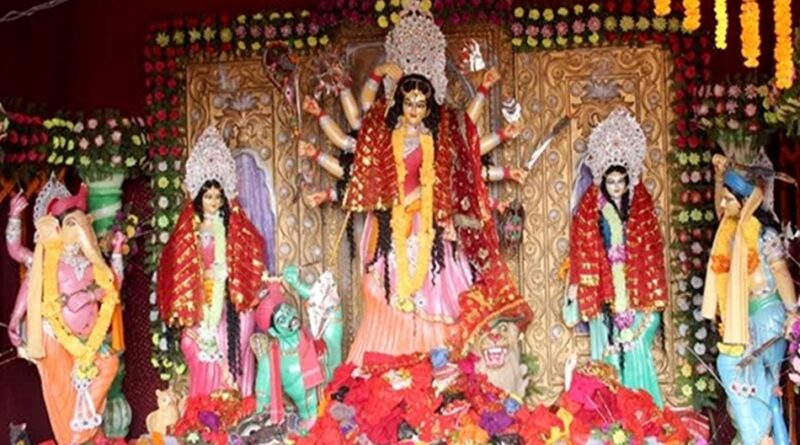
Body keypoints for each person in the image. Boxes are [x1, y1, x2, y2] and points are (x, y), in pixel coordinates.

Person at [297, 3, 531, 365]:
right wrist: (377, 75)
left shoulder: (440, 135)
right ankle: (392, 363)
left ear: (429, 106)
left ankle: (443, 366)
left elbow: (469, 161)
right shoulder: (381, 133)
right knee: (387, 285)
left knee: (439, 287)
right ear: (399, 102)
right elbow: (358, 139)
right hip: (391, 221)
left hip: (431, 221)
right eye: (409, 103)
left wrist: (487, 99)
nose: (415, 110)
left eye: (422, 105)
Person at [5, 180, 125, 444]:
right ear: (57, 228)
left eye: (83, 223)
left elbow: (112, 284)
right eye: (72, 223)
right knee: (63, 393)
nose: (80, 229)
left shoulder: (90, 262)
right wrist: (14, 216)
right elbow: (16, 252)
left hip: (90, 341)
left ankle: (80, 433)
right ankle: (78, 437)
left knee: (109, 365)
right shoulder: (47, 260)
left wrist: (113, 257)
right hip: (56, 338)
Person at [564, 108, 667, 406]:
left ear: (629, 179)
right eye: (611, 182)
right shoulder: (591, 209)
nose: (617, 187)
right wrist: (580, 284)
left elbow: (650, 250)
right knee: (607, 350)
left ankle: (641, 407)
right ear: (603, 181)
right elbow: (582, 247)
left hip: (635, 292)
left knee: (635, 347)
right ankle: (611, 412)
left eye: (621, 181)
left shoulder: (641, 206)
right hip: (603, 290)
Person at [157, 126, 267, 397]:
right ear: (198, 197)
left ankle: (235, 403)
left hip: (229, 299)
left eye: (218, 197)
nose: (214, 202)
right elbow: (178, 268)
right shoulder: (188, 231)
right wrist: (204, 277)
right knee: (193, 344)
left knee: (237, 336)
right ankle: (204, 406)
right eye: (208, 197)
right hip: (200, 302)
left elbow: (250, 255)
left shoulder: (234, 226)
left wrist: (229, 273)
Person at [702, 155, 797, 445]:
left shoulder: (763, 234)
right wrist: (720, 175)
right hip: (745, 316)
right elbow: (719, 207)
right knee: (750, 379)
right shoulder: (732, 230)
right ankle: (759, 437)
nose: (722, 204)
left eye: (729, 199)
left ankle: (762, 437)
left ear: (745, 202)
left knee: (754, 377)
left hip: (769, 314)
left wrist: (793, 313)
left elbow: (780, 272)